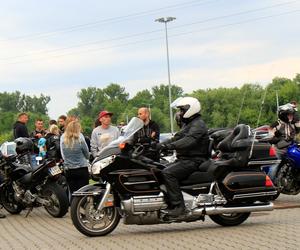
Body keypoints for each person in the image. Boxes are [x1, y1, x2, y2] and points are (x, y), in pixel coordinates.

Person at [156, 97, 209, 217]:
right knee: (158, 169)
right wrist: (159, 144)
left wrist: (168, 146)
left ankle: (179, 207)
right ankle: (167, 202)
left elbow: (188, 141)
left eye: (181, 110)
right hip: (185, 159)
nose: (179, 113)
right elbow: (177, 137)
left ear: (190, 109)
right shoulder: (189, 123)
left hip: (195, 160)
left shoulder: (198, 124)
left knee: (168, 173)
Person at [60, 121, 90, 194]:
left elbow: (63, 155)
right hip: (81, 169)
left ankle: (73, 205)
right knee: (83, 193)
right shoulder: (81, 140)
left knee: (73, 193)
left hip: (69, 170)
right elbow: (87, 155)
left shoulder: (63, 141)